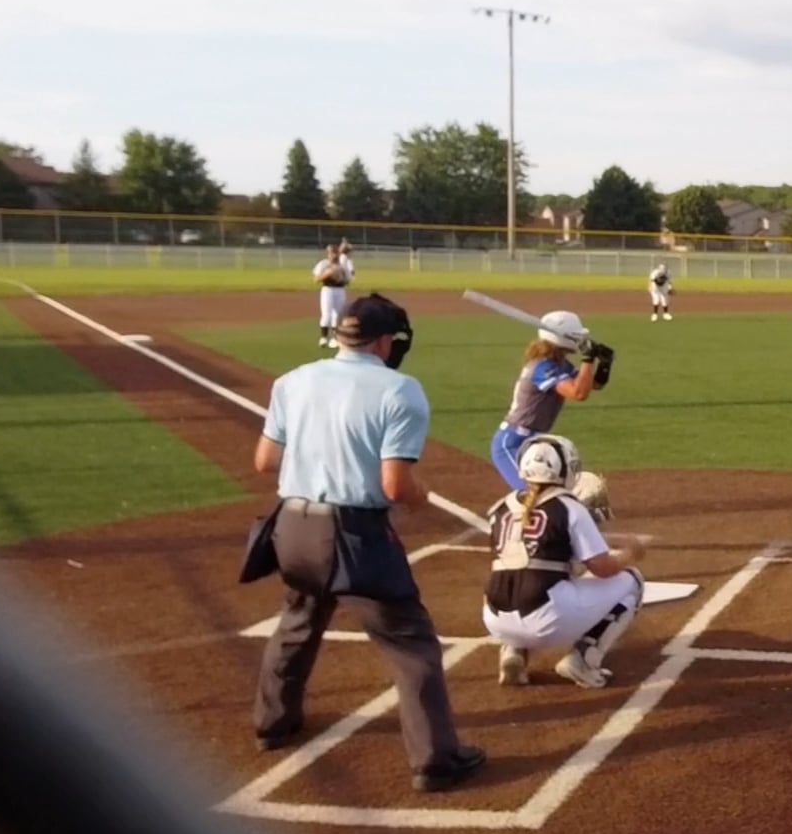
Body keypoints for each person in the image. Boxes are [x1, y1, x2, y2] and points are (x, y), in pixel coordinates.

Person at [247, 293, 485, 792]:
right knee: (410, 642)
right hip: (354, 534)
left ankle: (272, 724)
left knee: (297, 622)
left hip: (291, 527)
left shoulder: (292, 380)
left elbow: (265, 461)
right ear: (384, 342)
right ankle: (435, 760)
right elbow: (396, 485)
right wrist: (422, 496)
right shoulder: (400, 390)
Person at [482, 435, 646, 689]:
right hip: (546, 621)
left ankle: (513, 651)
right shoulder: (569, 507)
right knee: (632, 580)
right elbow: (603, 569)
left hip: (495, 620)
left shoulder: (500, 508)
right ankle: (583, 661)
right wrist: (630, 553)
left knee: (522, 576)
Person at [489, 311, 612, 493]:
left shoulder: (561, 365)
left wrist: (604, 364)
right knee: (534, 492)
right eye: (576, 336)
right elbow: (578, 393)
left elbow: (592, 385)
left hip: (536, 442)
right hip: (513, 441)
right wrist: (587, 359)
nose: (580, 340)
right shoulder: (543, 367)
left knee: (545, 493)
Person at [310, 244, 352, 348]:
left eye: (335, 253)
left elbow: (348, 280)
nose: (333, 255)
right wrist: (327, 274)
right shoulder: (323, 264)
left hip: (340, 290)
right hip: (327, 289)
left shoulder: (342, 265)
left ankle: (335, 338)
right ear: (328, 254)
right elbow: (315, 280)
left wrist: (340, 277)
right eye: (331, 253)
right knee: (326, 314)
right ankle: (323, 338)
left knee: (338, 314)